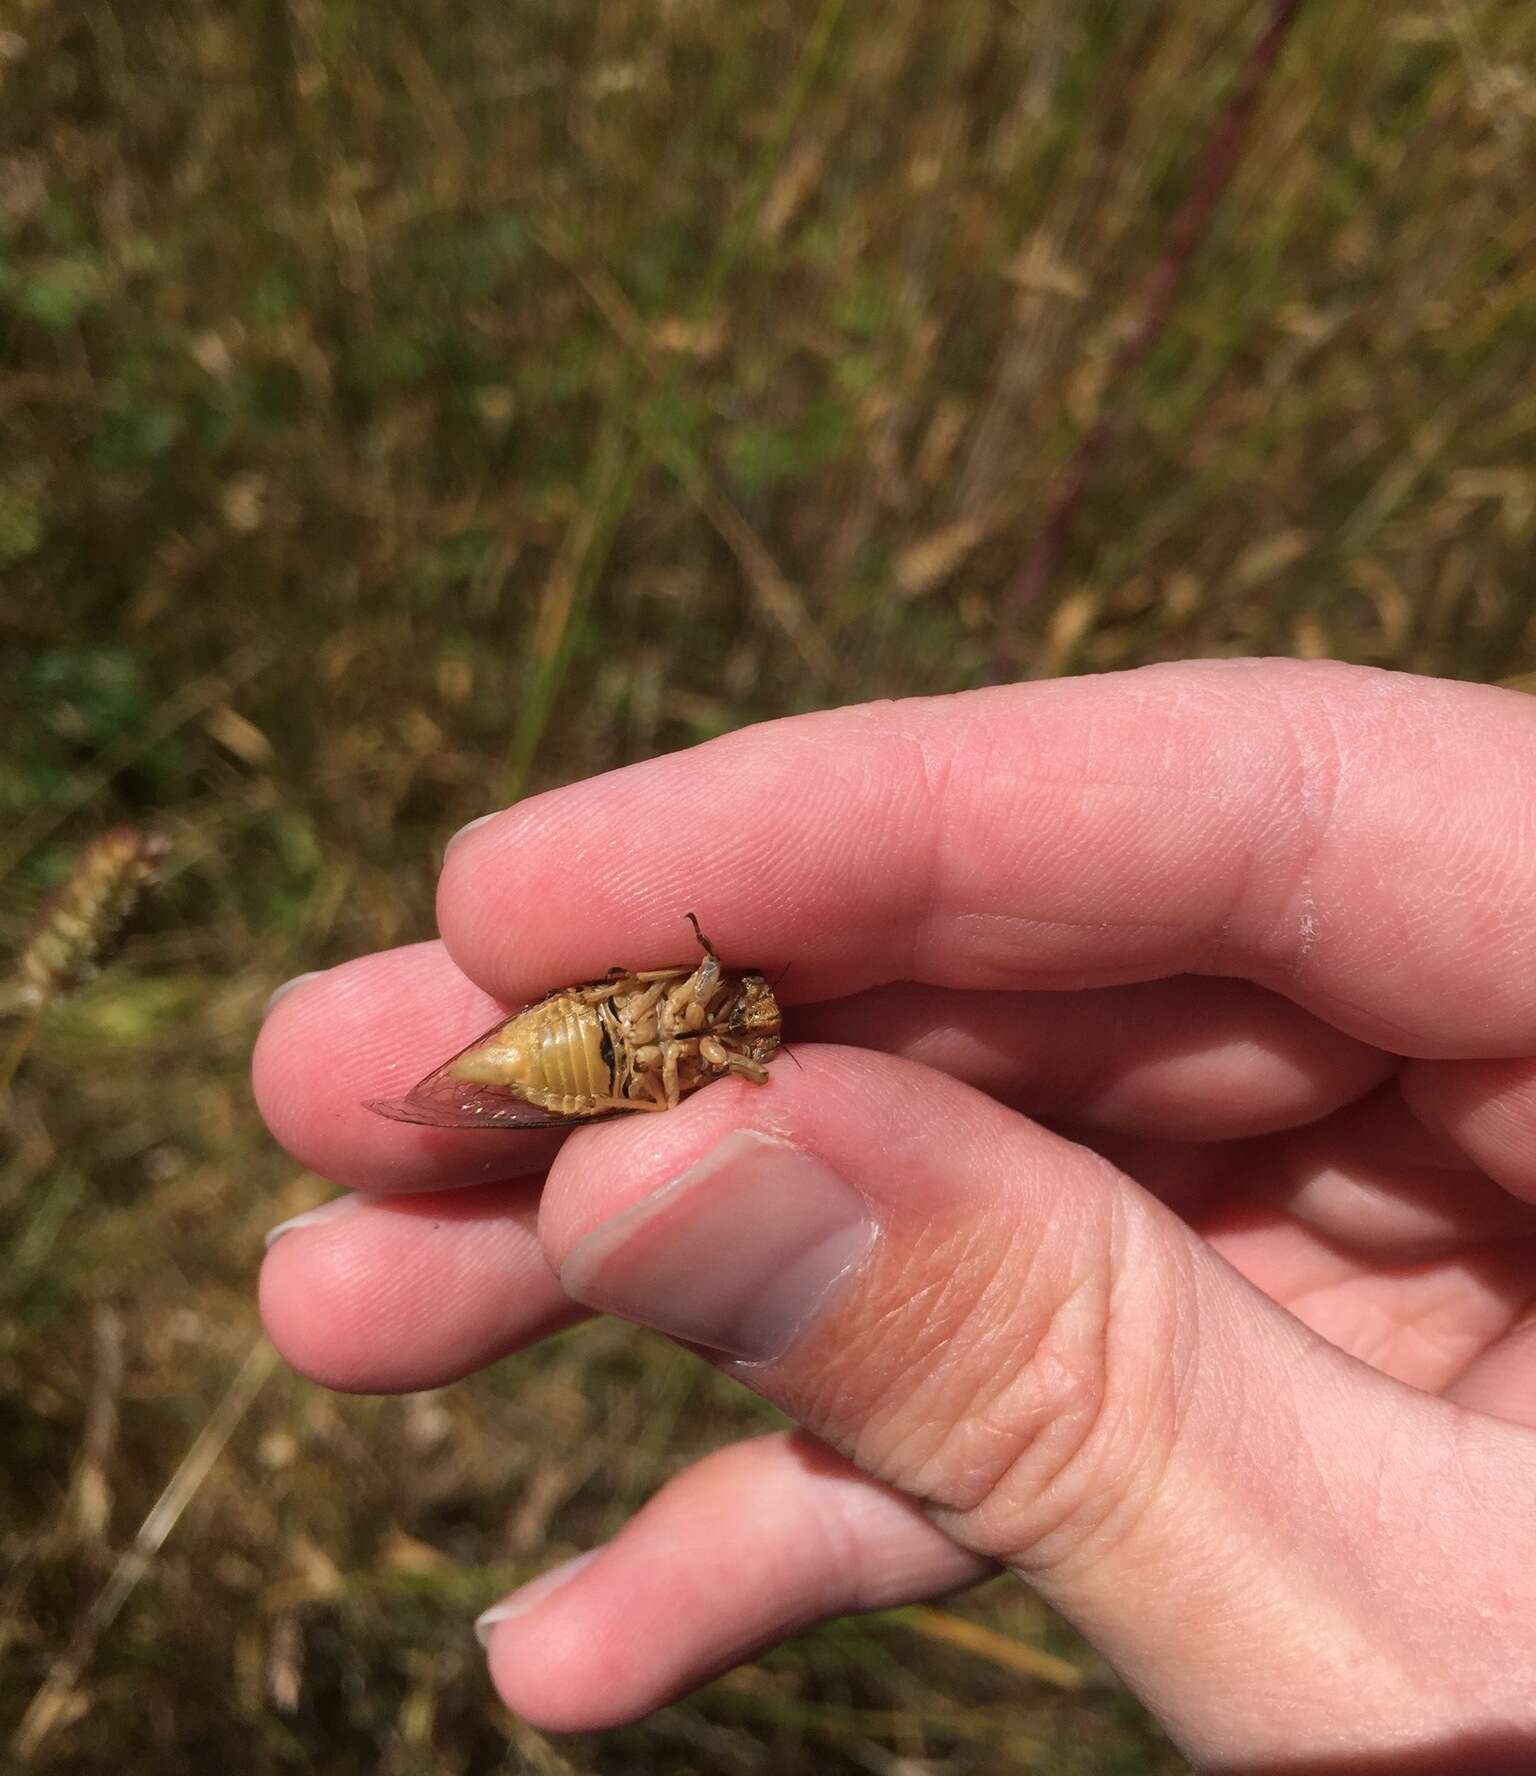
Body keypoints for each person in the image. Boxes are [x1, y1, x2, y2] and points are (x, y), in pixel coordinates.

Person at [255, 658, 1536, 1768]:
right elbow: (679, 1009)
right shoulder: (708, 1022)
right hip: (575, 1050)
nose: (750, 1012)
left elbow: (707, 1035)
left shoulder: (731, 1046)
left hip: (606, 1051)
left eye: (747, 1008)